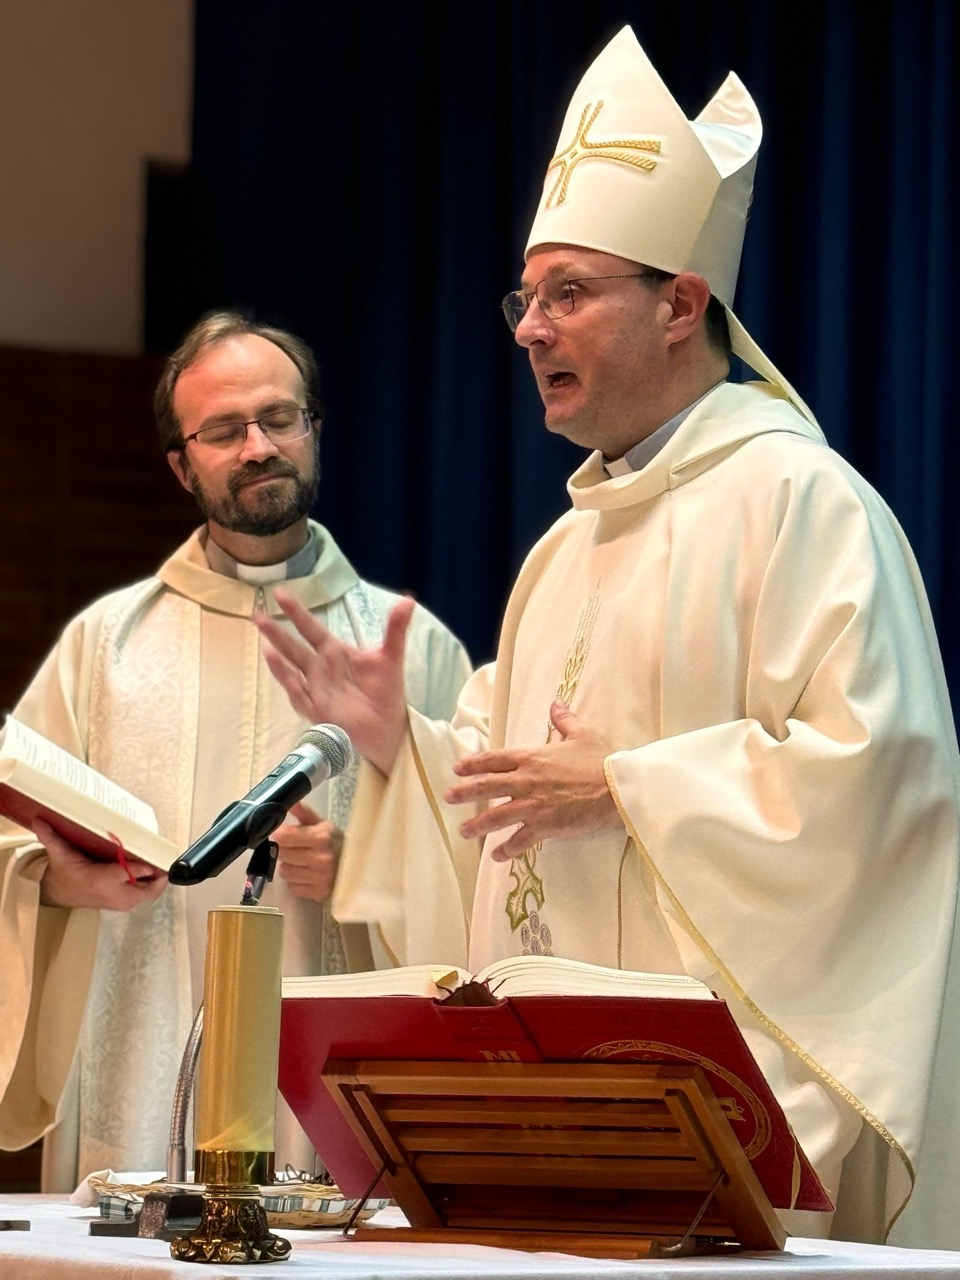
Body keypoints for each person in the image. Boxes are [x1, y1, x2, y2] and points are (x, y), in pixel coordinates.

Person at [254, 28, 960, 1246]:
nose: (528, 328)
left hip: (714, 1152)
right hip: (548, 1139)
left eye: (568, 294)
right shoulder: (559, 553)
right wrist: (402, 748)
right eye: (525, 298)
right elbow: (504, 811)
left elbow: (883, 781)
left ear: (682, 301)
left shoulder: (804, 504)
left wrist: (632, 786)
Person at [0, 311, 472, 1189]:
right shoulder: (106, 646)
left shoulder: (413, 651)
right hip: (138, 1071)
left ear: (314, 429)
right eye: (222, 431)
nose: (258, 447)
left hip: (335, 1086)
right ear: (181, 465)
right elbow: (12, 834)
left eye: (279, 418)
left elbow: (490, 876)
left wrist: (367, 866)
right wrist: (60, 882)